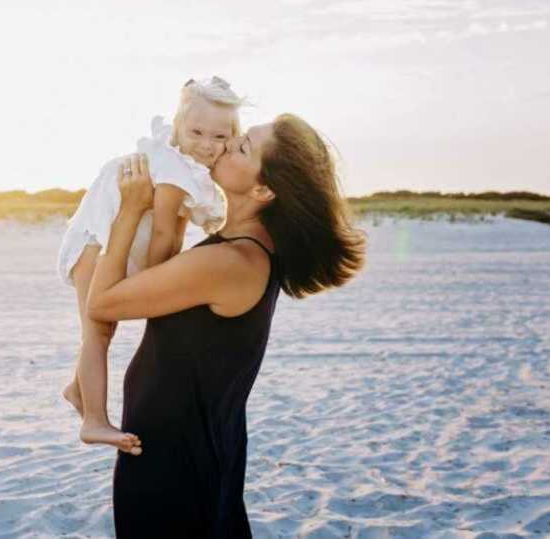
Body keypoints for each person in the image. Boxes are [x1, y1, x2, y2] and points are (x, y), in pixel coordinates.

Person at [87, 115, 366, 538]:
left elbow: (102, 304)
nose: (228, 143)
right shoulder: (240, 249)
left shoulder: (232, 261)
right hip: (195, 446)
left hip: (175, 460)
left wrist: (129, 210)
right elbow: (160, 291)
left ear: (263, 189)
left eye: (243, 147)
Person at [58, 77, 246, 454]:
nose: (208, 145)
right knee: (97, 333)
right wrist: (158, 287)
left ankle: (79, 389)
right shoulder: (173, 168)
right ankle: (93, 420)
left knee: (102, 332)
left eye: (220, 137)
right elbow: (163, 234)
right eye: (197, 132)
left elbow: (173, 228)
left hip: (113, 244)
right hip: (96, 243)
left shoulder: (186, 165)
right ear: (178, 126)